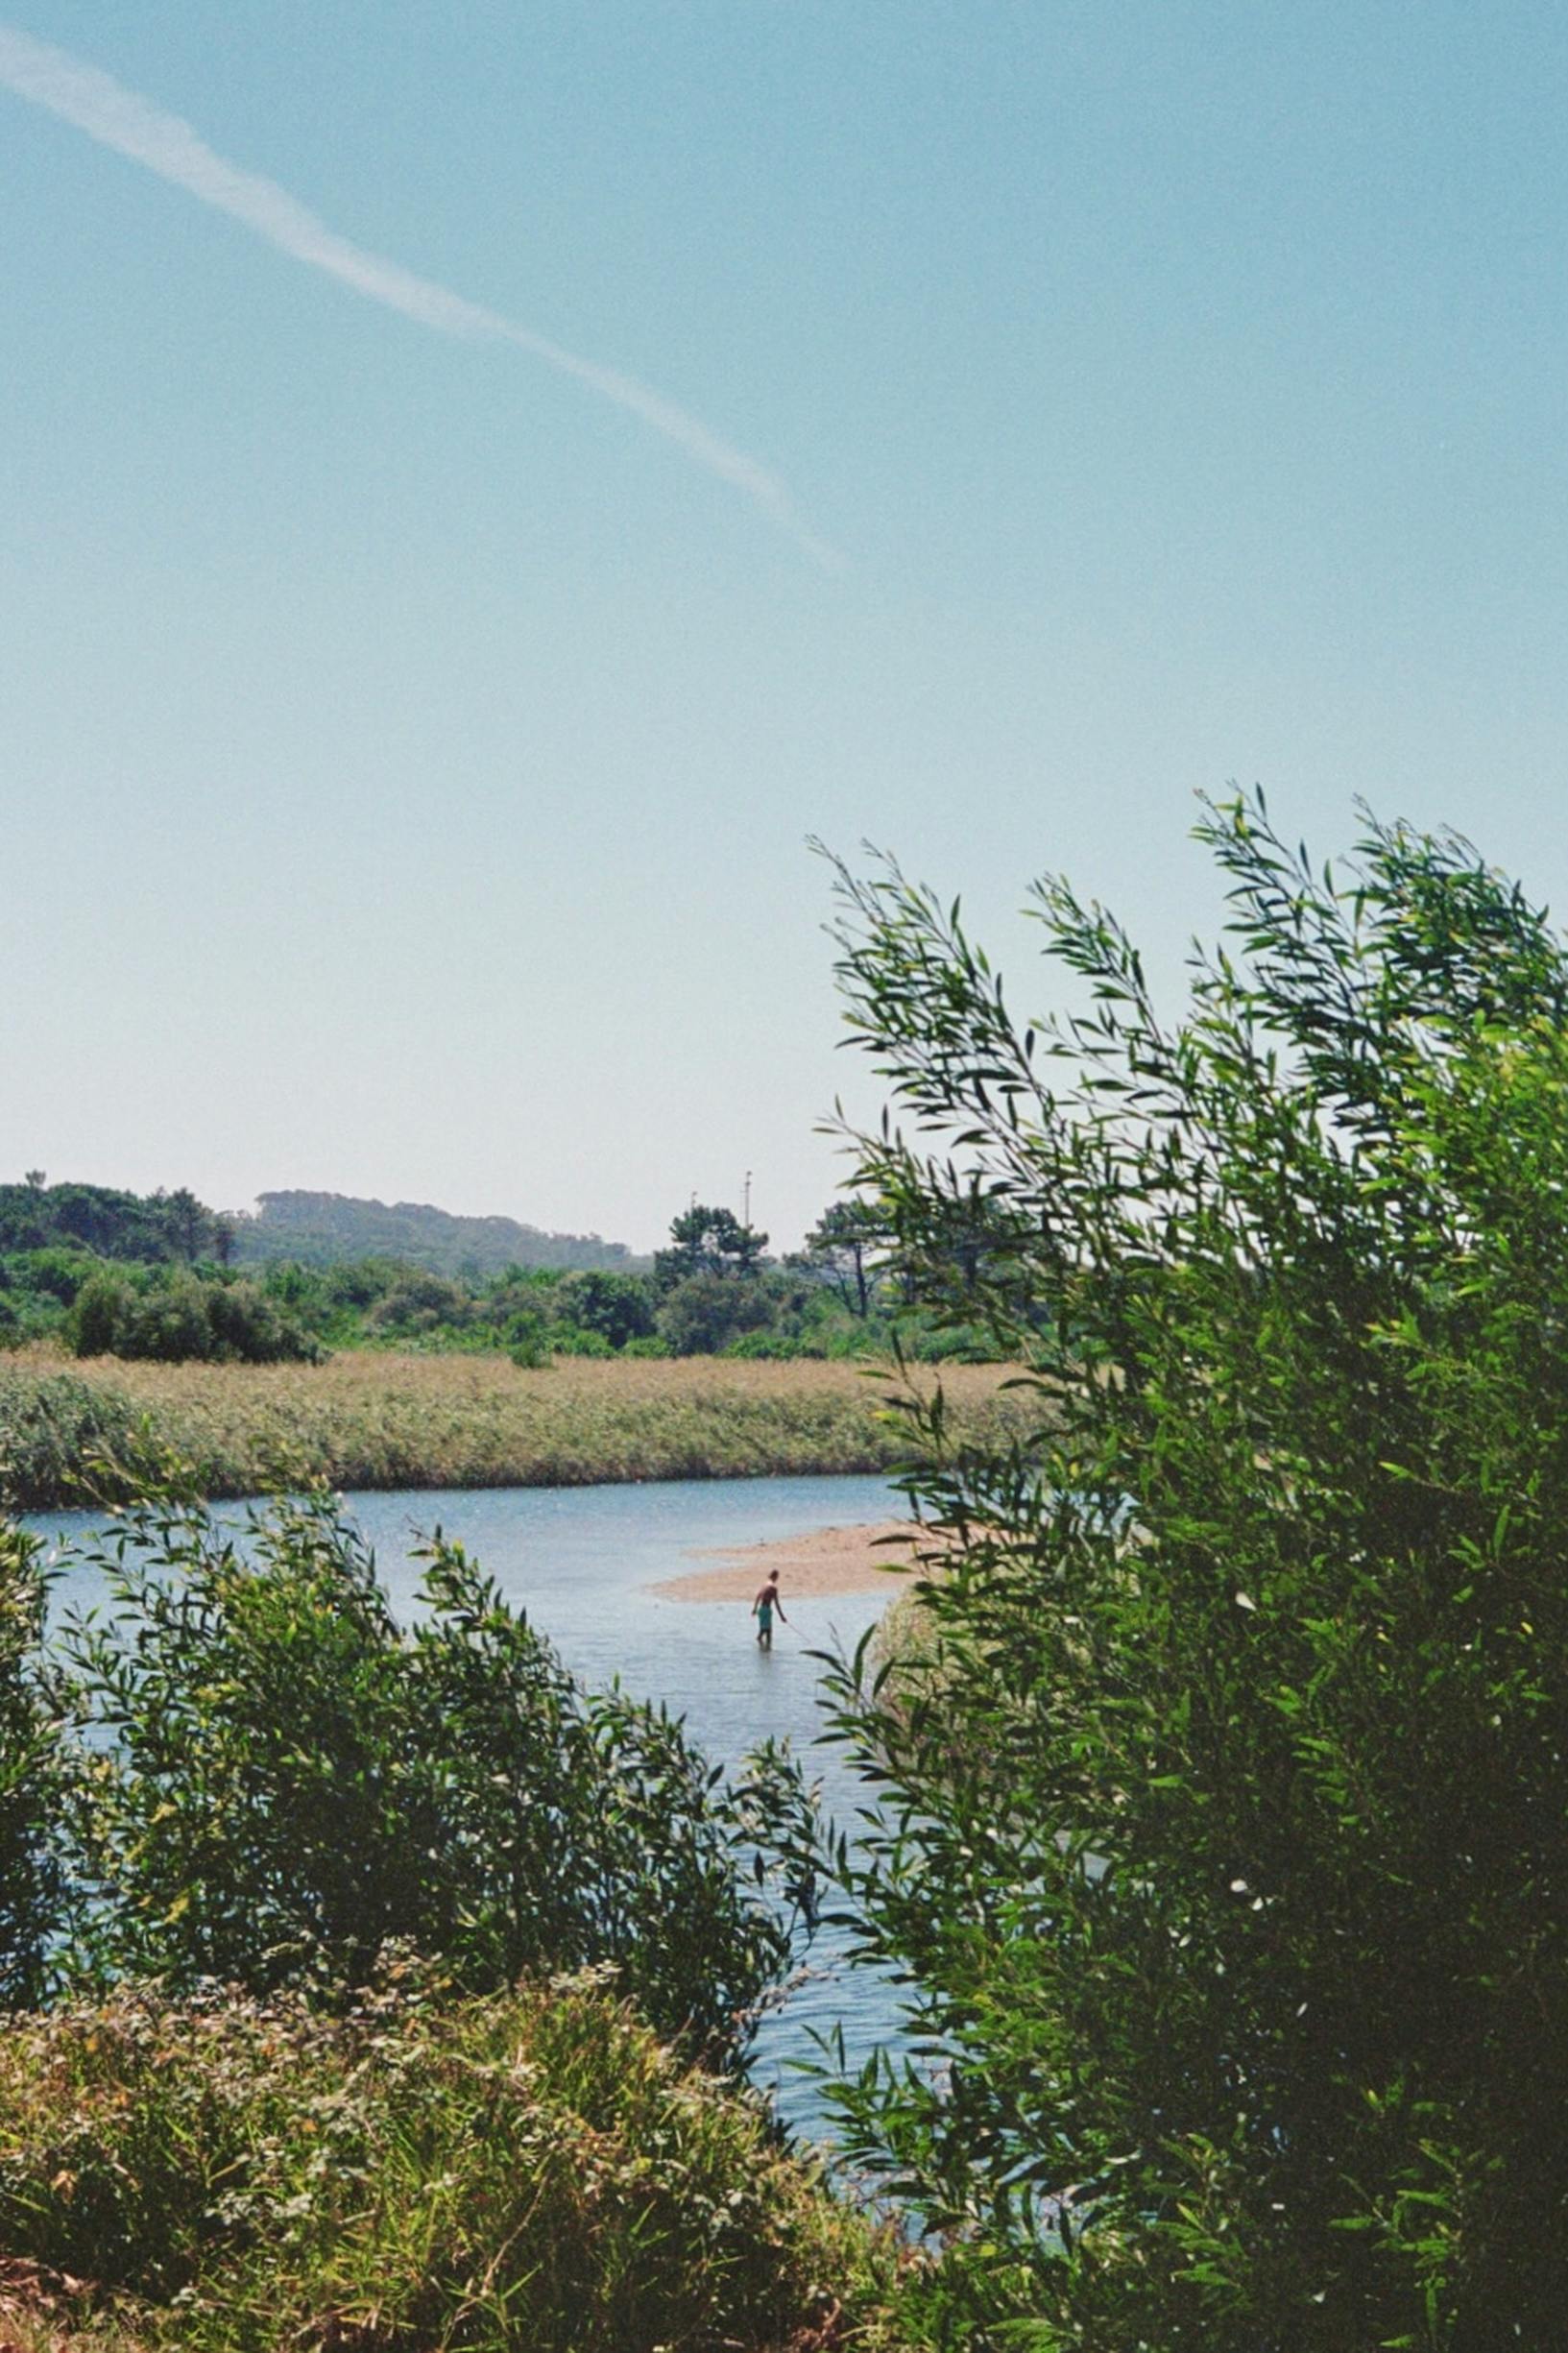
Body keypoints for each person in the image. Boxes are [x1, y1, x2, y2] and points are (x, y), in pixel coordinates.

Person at [753, 1566, 787, 1648]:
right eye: (777, 1577)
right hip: (767, 1610)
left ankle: (762, 1650)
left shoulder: (764, 1585)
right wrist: (782, 1616)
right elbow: (776, 1604)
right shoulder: (773, 1588)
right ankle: (767, 1651)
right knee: (768, 1632)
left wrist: (754, 1609)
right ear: (775, 1577)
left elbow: (758, 1597)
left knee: (763, 1630)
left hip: (761, 1610)